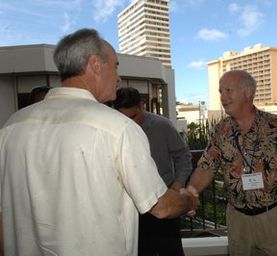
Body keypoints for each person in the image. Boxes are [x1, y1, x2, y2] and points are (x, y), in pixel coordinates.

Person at [0, 28, 197, 256]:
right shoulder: (118, 129)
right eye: (115, 66)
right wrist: (188, 201)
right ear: (95, 64)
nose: (118, 77)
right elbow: (161, 207)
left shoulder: (11, 127)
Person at [187, 70, 277, 256]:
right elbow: (206, 166)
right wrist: (191, 191)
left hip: (276, 217)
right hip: (238, 219)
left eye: (228, 90)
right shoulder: (220, 130)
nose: (223, 97)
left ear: (248, 92)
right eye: (220, 91)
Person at [113, 87, 193, 256]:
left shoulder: (162, 125)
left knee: (171, 251)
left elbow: (183, 156)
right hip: (132, 209)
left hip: (165, 200)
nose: (130, 123)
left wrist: (178, 184)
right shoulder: (114, 130)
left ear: (142, 106)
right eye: (123, 117)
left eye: (133, 116)